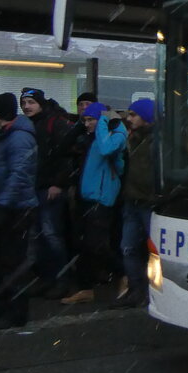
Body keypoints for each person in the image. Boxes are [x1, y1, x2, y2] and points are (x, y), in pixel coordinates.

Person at [0, 93, 38, 329]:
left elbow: (19, 174)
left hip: (17, 209)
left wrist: (3, 205)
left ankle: (16, 313)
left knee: (12, 263)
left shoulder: (19, 138)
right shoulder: (6, 135)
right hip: (5, 206)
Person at [61, 102, 128, 305]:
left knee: (96, 244)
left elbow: (107, 149)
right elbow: (65, 146)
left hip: (101, 198)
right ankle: (85, 288)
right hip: (86, 196)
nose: (87, 124)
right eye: (85, 120)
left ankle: (124, 273)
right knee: (81, 245)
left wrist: (103, 122)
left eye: (91, 120)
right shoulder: (91, 137)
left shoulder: (116, 135)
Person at [20, 87, 76, 298]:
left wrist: (59, 183)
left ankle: (61, 280)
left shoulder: (54, 123)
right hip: (35, 188)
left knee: (51, 235)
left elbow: (66, 155)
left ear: (40, 104)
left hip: (49, 188)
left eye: (31, 102)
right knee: (38, 237)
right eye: (24, 103)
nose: (26, 106)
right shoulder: (30, 125)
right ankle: (48, 278)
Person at [116, 98, 155, 308]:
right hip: (133, 199)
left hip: (147, 201)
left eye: (133, 115)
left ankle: (147, 290)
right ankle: (137, 289)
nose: (128, 119)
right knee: (128, 247)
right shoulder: (134, 139)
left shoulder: (155, 142)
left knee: (147, 250)